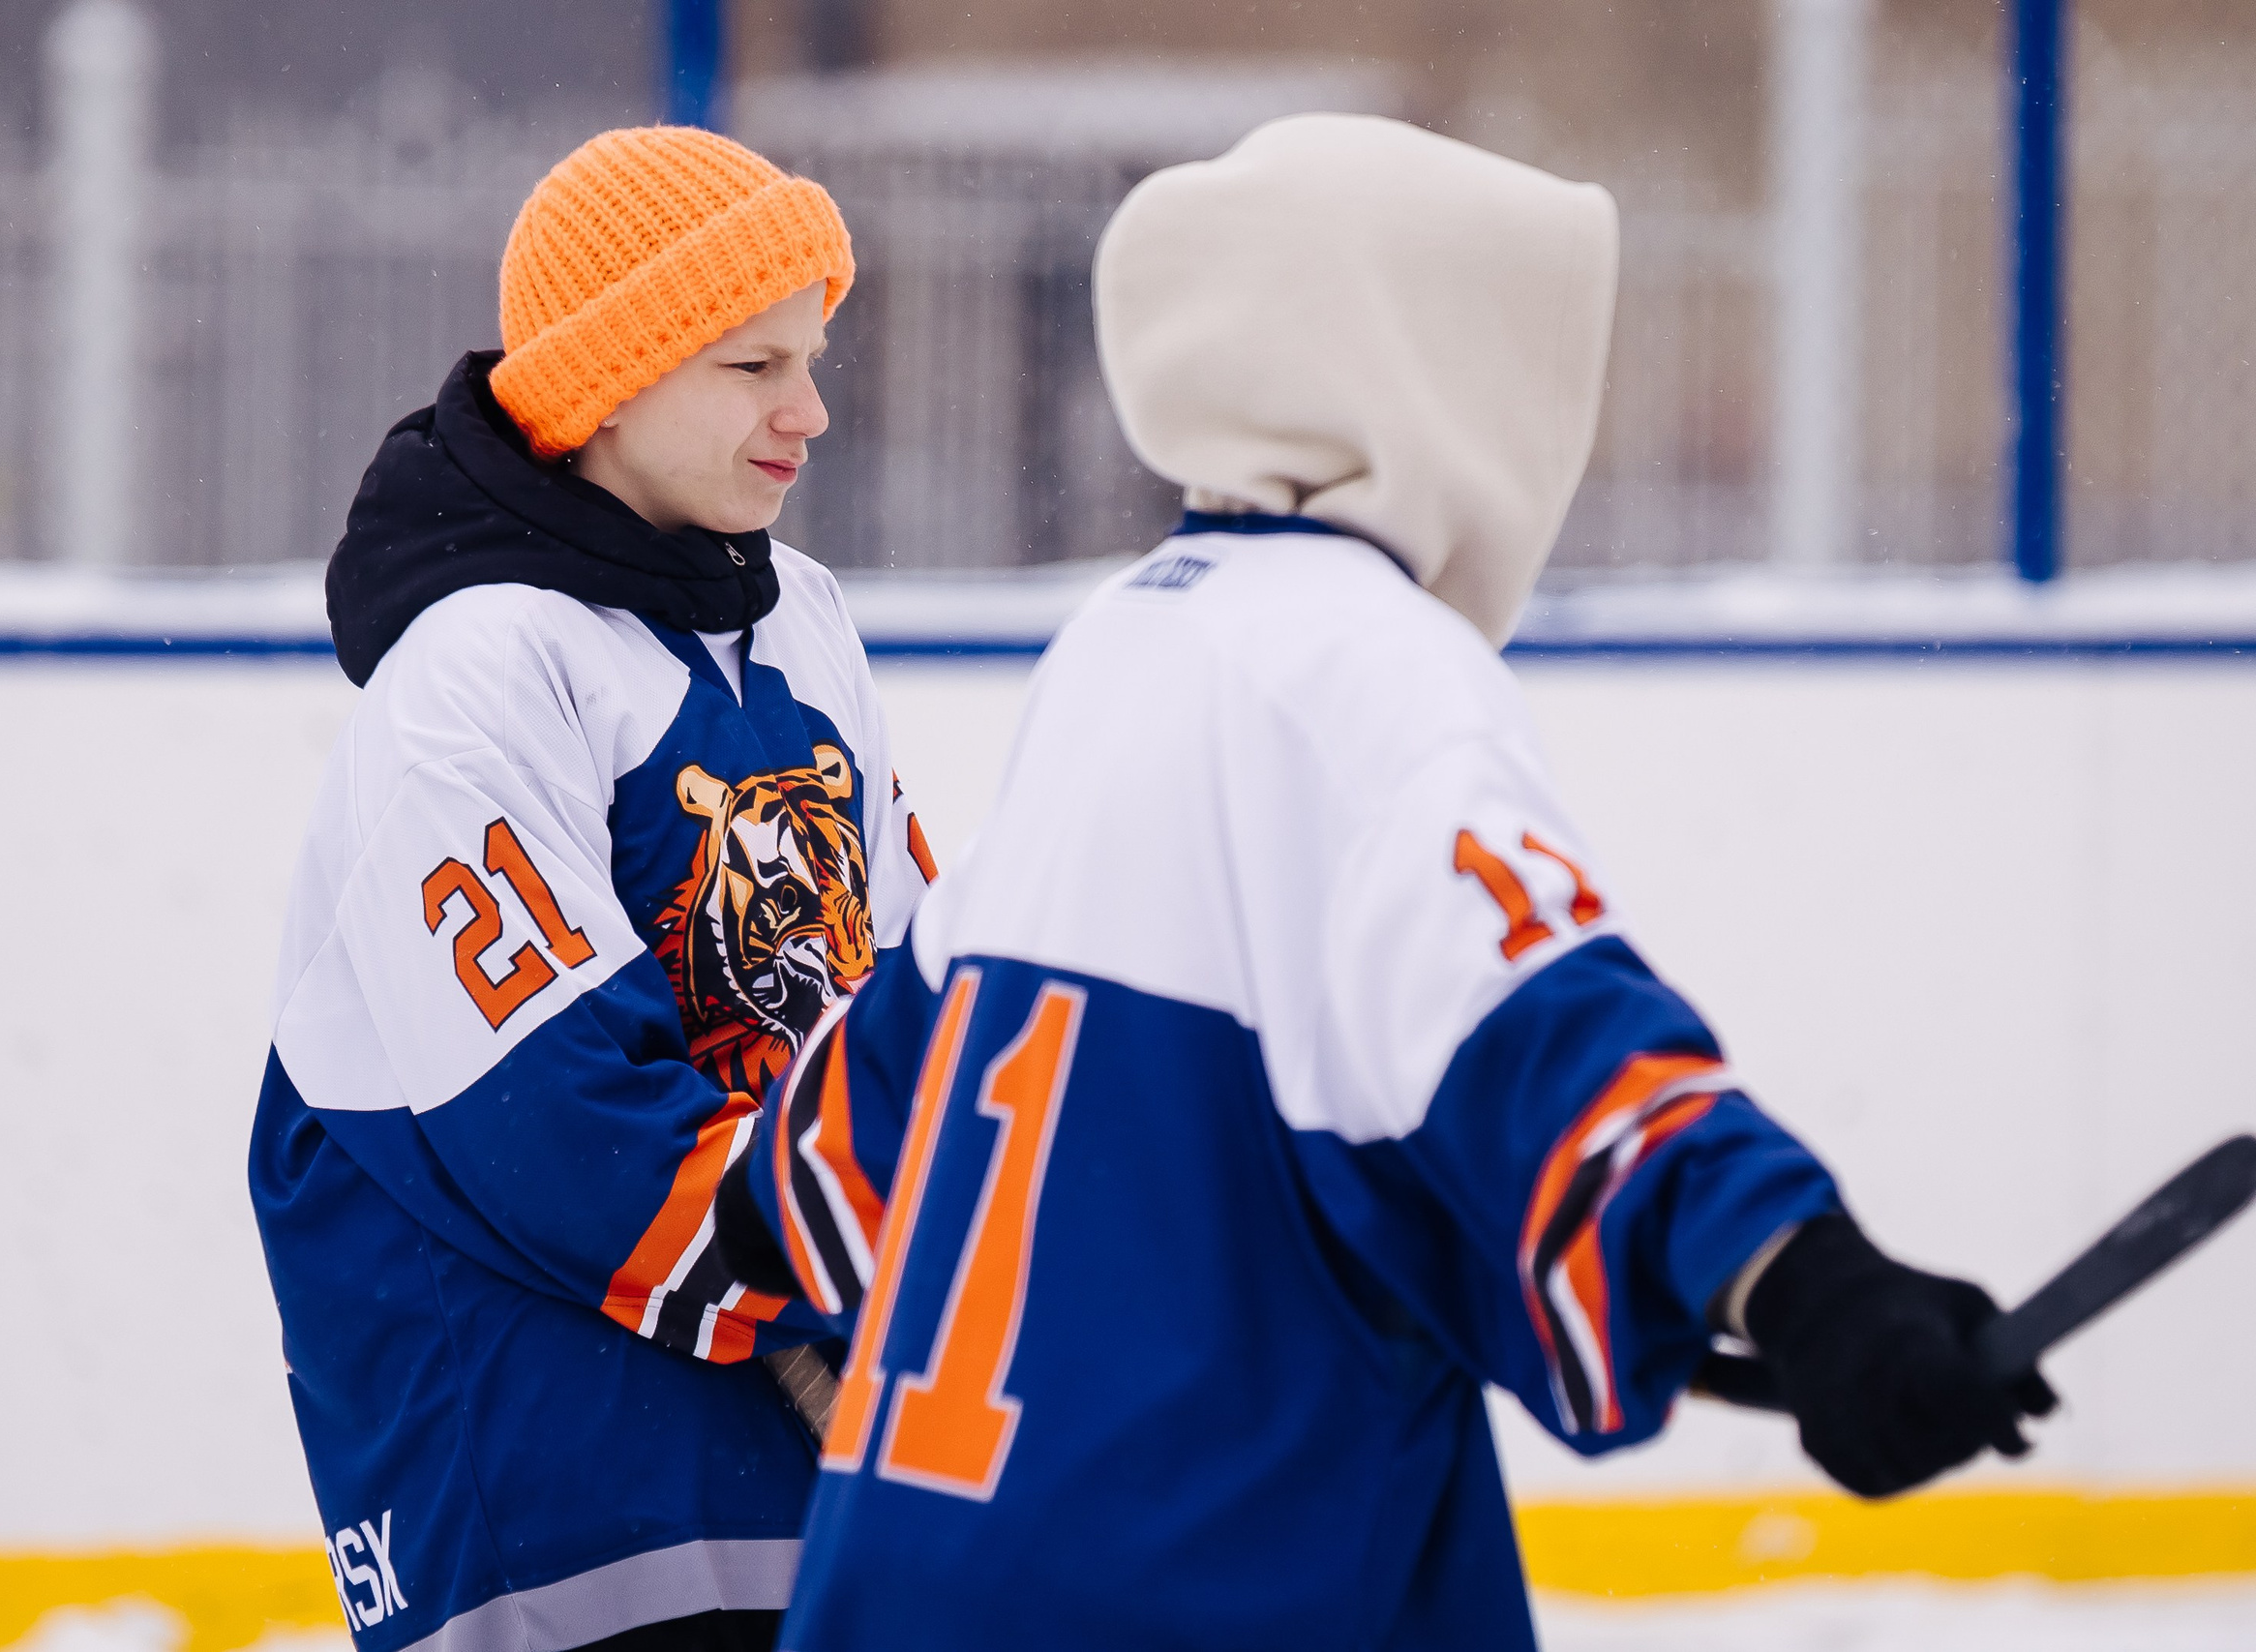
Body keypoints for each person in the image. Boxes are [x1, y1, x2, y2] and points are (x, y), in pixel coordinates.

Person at [710, 114, 2056, 1649]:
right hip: (1199, 1584)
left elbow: (883, 1091)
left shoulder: (1128, 640)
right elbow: (1545, 1038)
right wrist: (1808, 1283)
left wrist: (772, 1205)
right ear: (1440, 383)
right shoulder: (1367, 668)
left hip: (914, 1583)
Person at [248, 126, 932, 1652]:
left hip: (798, 1479)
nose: (810, 412)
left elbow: (901, 999)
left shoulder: (803, 618)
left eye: (811, 362)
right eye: (754, 367)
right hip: (567, 1510)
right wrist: (840, 1273)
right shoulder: (480, 668)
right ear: (612, 377)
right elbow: (557, 1128)